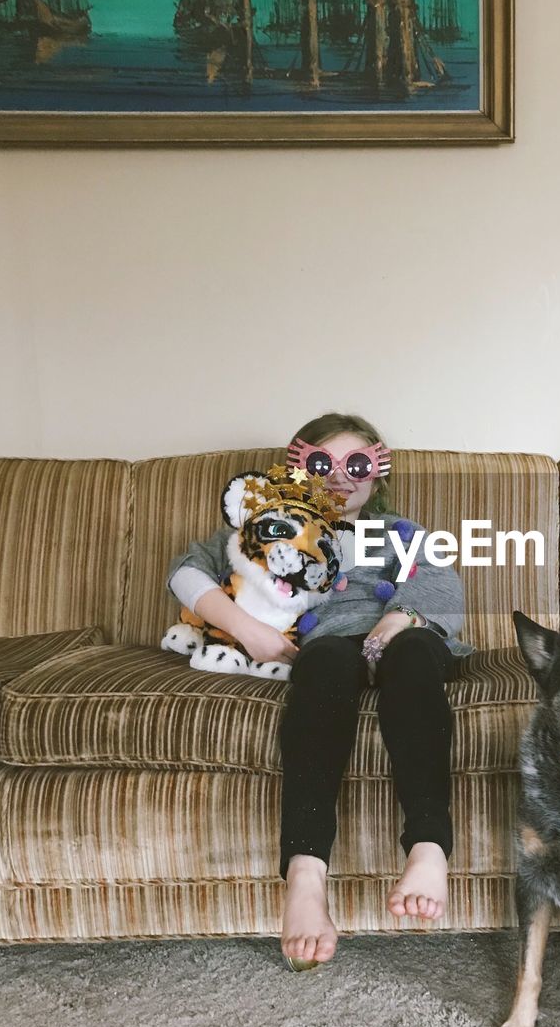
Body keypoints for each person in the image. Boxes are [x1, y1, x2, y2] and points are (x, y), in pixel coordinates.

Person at [168, 413, 470, 968]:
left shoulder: (398, 532)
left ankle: (428, 848)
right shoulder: (270, 525)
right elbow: (188, 573)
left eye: (357, 464)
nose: (340, 477)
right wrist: (248, 629)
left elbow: (442, 583)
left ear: (378, 475)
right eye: (321, 463)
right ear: (298, 469)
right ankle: (305, 874)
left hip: (408, 634)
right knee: (324, 666)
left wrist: (396, 621)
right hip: (326, 642)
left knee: (411, 661)